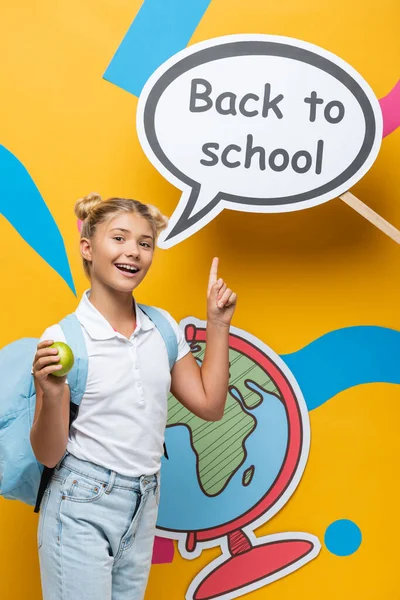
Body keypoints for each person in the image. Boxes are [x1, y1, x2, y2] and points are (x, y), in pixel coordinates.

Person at [30, 193, 237, 600]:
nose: (133, 252)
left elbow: (210, 405)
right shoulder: (63, 339)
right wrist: (52, 393)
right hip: (79, 502)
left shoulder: (162, 328)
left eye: (145, 243)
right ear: (88, 248)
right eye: (119, 238)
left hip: (144, 502)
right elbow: (49, 455)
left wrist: (217, 324)